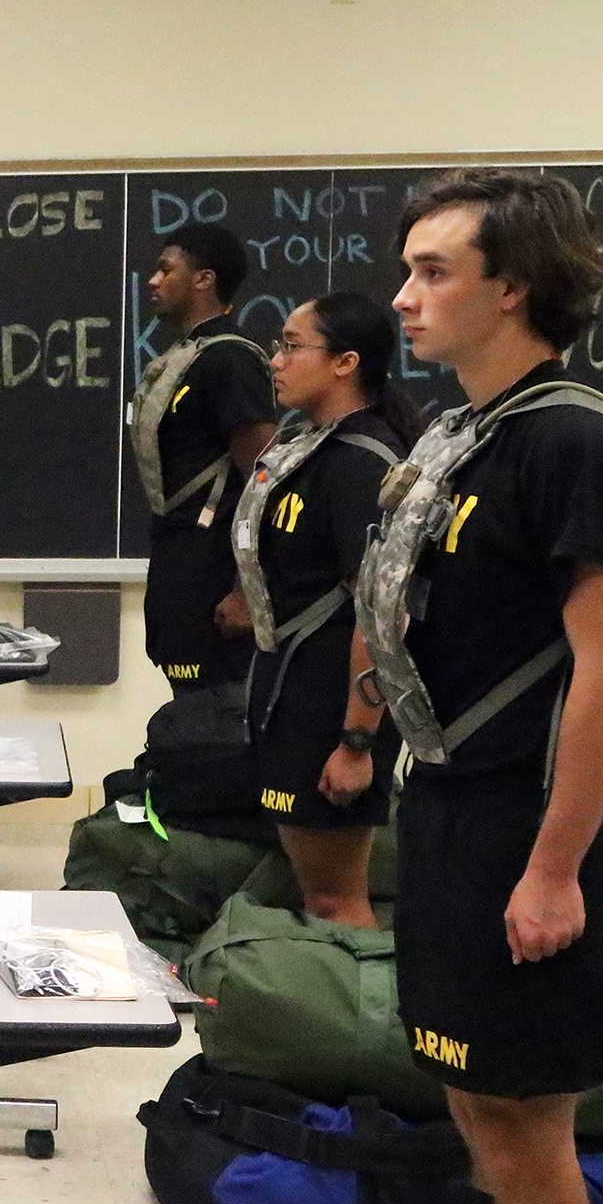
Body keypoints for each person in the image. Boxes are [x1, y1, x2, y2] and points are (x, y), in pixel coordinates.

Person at [374, 167, 603, 1204]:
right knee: (470, 1093)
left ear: (516, 288)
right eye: (407, 269)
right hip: (447, 801)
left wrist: (553, 868)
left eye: (434, 271)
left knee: (523, 1114)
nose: (403, 296)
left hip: (529, 822)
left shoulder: (577, 443)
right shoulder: (462, 436)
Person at [227, 293, 421, 926]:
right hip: (292, 694)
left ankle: (361, 1017)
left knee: (335, 898)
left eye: (290, 345)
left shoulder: (364, 463)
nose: (276, 362)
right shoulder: (311, 449)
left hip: (333, 709)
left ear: (346, 363)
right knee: (313, 893)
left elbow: (382, 615)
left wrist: (357, 741)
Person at [134, 223, 279, 691]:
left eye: (165, 269)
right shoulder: (186, 357)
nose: (152, 281)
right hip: (180, 559)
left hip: (215, 570)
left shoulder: (229, 360)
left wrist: (245, 591)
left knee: (214, 727)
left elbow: (265, 480)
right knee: (187, 716)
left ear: (204, 280)